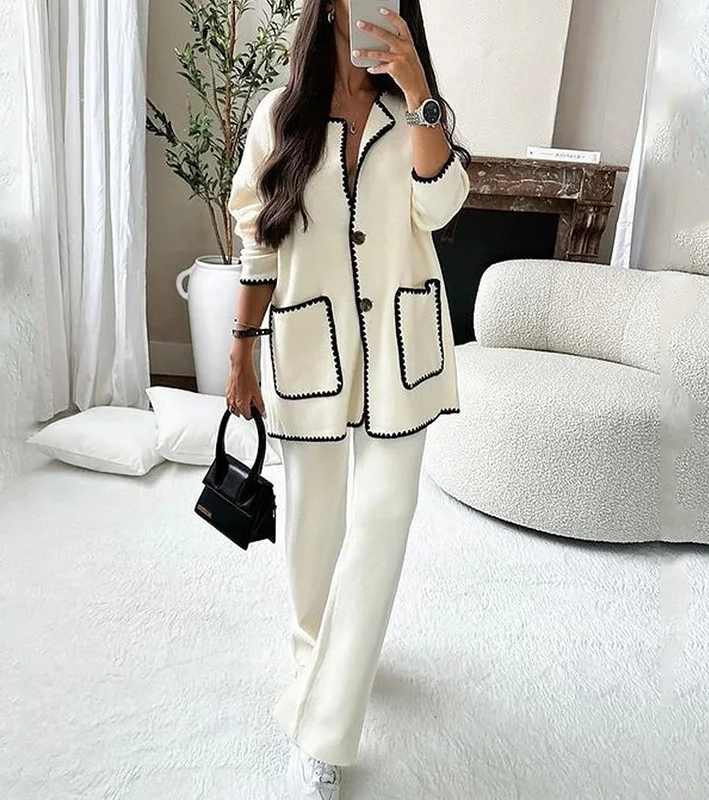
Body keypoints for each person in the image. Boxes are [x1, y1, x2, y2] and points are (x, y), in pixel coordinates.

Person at [226, 0, 469, 796]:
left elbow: (441, 206)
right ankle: (316, 658)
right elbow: (259, 238)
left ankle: (325, 733)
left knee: (382, 521)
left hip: (402, 352)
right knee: (314, 528)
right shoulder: (281, 114)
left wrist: (419, 88)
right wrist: (240, 351)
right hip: (312, 347)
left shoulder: (418, 112)